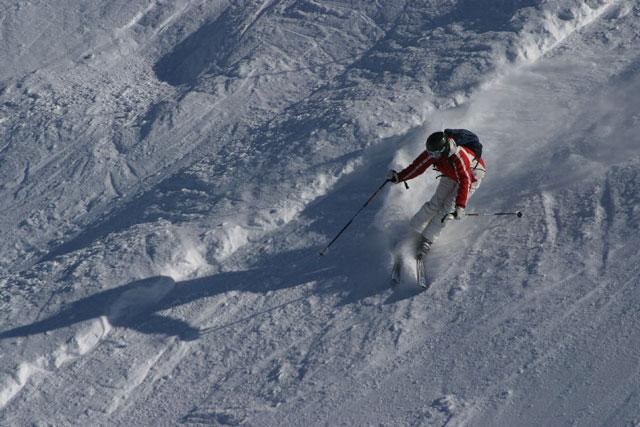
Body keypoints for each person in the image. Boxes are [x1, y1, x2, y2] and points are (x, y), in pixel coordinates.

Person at [387, 129, 487, 261]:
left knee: (446, 210)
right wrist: (399, 177)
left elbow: (465, 180)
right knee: (434, 204)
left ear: (444, 150)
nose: (431, 156)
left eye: (434, 154)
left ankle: (427, 240)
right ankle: (411, 231)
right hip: (450, 174)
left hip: (471, 178)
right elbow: (418, 167)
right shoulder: (433, 152)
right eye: (430, 153)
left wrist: (460, 206)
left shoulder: (458, 155)